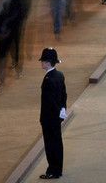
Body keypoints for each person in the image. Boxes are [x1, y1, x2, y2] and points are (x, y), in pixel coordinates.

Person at [38, 47, 67, 180]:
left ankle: (52, 170)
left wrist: (47, 119)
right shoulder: (60, 75)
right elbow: (63, 96)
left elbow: (49, 102)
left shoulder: (48, 79)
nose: (41, 63)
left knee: (50, 145)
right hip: (57, 117)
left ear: (48, 62)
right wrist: (62, 112)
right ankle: (58, 169)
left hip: (49, 119)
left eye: (43, 61)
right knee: (58, 143)